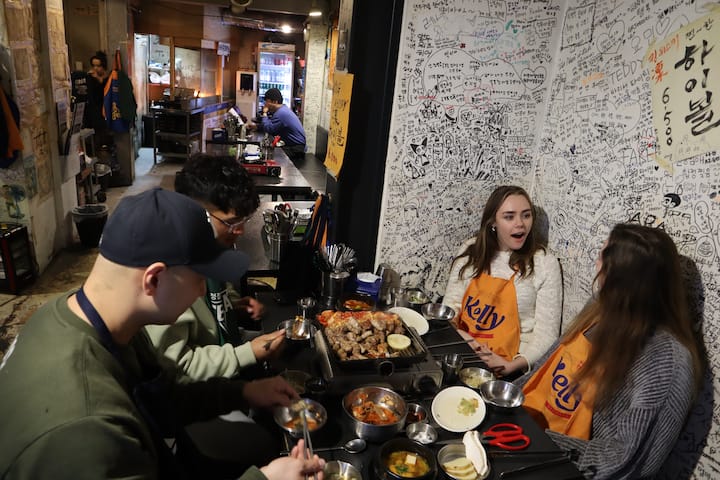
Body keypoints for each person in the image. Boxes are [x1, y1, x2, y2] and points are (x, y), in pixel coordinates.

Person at [0, 188, 324, 480]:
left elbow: (162, 397)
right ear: (154, 279)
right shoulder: (85, 431)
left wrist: (246, 392)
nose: (202, 292)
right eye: (200, 279)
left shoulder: (93, 315)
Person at [517, 223, 703, 479]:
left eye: (602, 258)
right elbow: (545, 368)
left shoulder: (666, 361)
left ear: (623, 278)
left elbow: (623, 462)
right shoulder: (600, 306)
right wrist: (501, 405)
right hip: (529, 433)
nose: (596, 266)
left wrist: (532, 438)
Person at [144, 154, 285, 381]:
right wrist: (247, 354)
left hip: (226, 360)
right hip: (204, 390)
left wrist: (232, 306)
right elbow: (178, 368)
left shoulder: (211, 248)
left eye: (243, 221)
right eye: (232, 222)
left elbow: (214, 296)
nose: (240, 231)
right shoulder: (168, 276)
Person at [443, 185, 562, 377]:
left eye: (526, 215)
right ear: (493, 222)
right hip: (461, 350)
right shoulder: (471, 250)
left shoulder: (544, 263)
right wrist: (471, 344)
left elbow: (547, 335)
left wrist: (511, 365)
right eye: (509, 217)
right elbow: (449, 309)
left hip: (509, 367)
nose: (520, 224)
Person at [255, 87, 306, 160]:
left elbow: (269, 128)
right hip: (295, 146)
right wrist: (256, 127)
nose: (265, 105)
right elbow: (274, 126)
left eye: (267, 102)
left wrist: (264, 113)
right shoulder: (283, 110)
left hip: (296, 149)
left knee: (270, 155)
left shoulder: (281, 113)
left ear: (275, 102)